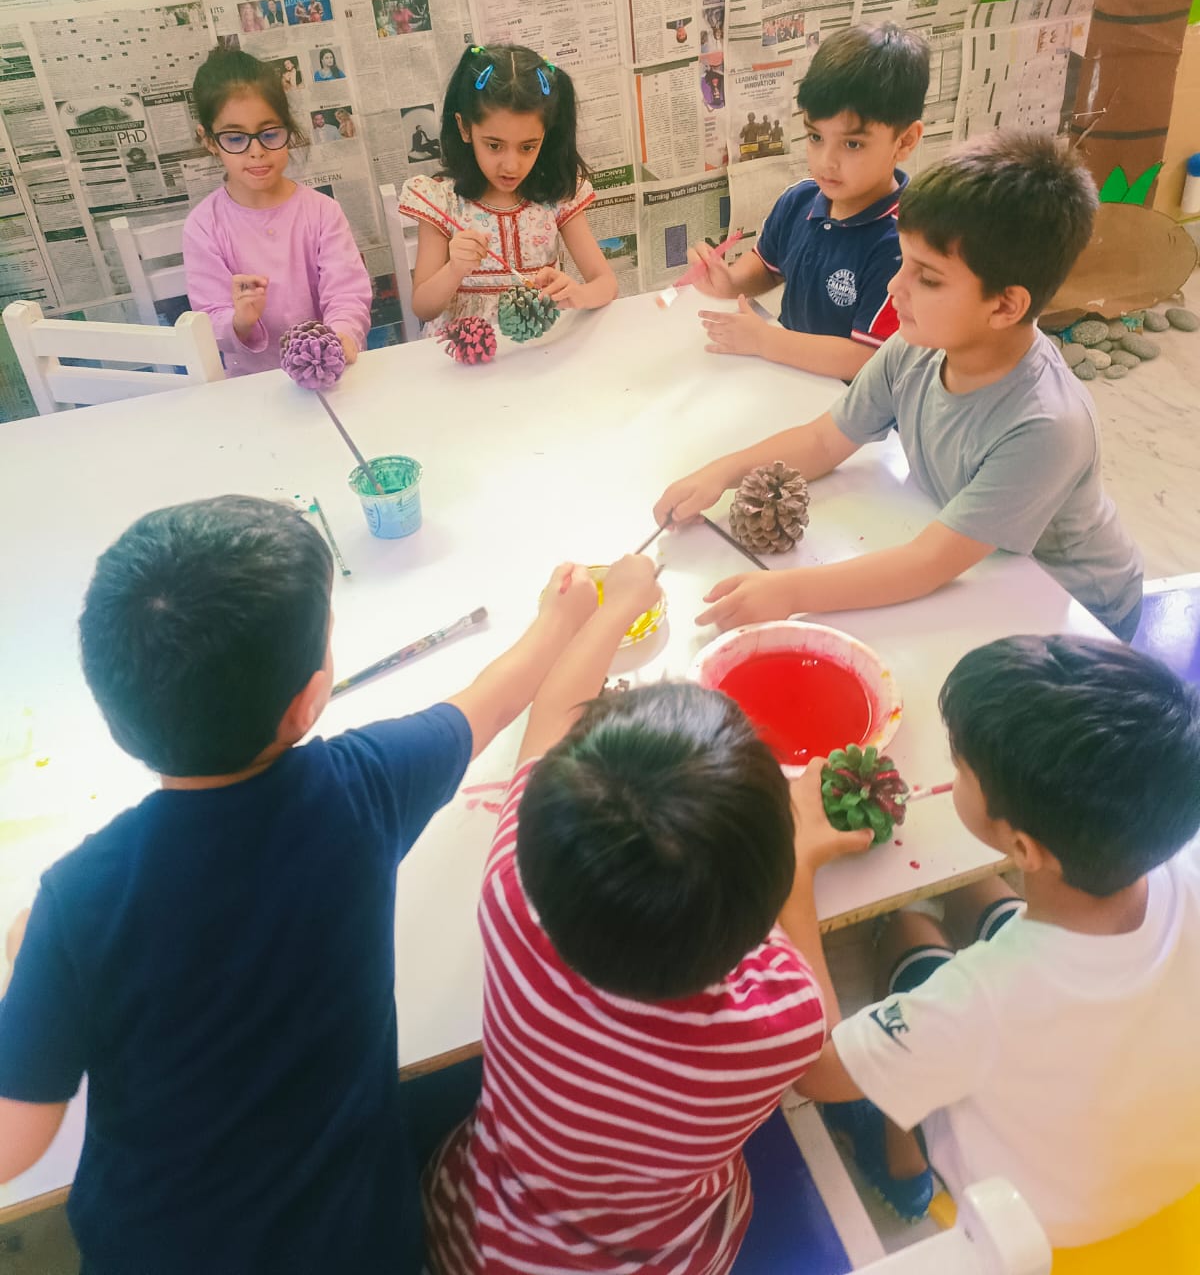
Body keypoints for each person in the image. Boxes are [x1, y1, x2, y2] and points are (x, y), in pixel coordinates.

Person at [0, 497, 600, 1273]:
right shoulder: (362, 786)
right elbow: (488, 702)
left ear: (114, 715)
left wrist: (38, 968)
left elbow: (17, 1140)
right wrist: (561, 619)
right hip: (361, 1243)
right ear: (309, 701)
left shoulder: (77, 902)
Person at [423, 556, 841, 1274]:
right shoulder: (779, 1022)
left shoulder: (510, 893)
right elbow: (824, 1041)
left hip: (478, 1236)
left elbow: (552, 715)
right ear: (762, 905)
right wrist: (801, 867)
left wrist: (615, 605)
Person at [791, 635, 1200, 1248]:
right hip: (1156, 1176)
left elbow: (814, 1069)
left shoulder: (978, 1001)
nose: (951, 772)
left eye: (959, 768)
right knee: (979, 902)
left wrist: (795, 872)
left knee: (909, 933)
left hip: (1033, 1228)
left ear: (1025, 848)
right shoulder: (1177, 858)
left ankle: (902, 1165)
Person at [656, 130, 1143, 641]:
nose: (894, 287)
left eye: (927, 278)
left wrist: (790, 592)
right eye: (903, 263)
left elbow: (929, 563)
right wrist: (722, 472)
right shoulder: (916, 345)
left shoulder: (1046, 425)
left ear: (1005, 305)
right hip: (980, 561)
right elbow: (824, 440)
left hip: (1072, 608)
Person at [691, 22, 927, 379]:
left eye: (852, 144)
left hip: (851, 403)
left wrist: (765, 341)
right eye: (815, 137)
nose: (826, 162)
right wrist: (730, 282)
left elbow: (867, 358)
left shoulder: (903, 242)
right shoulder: (800, 199)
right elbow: (768, 267)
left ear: (905, 141)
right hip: (792, 380)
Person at [182, 48, 371, 376]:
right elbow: (209, 319)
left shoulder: (322, 212)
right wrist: (240, 320)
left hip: (329, 374)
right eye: (235, 139)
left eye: (269, 134)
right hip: (252, 386)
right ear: (209, 141)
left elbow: (347, 293)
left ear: (288, 130)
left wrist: (342, 334)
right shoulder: (203, 226)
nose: (256, 151)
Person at [400, 43, 618, 325]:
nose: (511, 165)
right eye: (494, 145)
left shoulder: (556, 195)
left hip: (542, 345)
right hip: (468, 349)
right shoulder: (441, 200)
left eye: (528, 147)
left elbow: (606, 284)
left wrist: (577, 294)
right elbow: (423, 307)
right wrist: (454, 268)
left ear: (545, 136)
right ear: (465, 128)